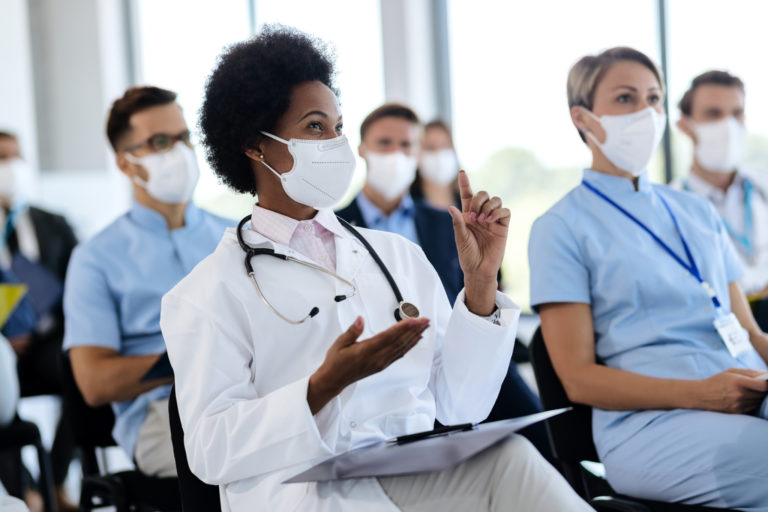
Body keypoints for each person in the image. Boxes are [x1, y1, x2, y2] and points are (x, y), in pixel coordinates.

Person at [160, 25, 592, 512]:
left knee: (505, 463)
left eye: (339, 127)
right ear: (254, 145)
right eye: (315, 127)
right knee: (509, 464)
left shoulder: (397, 255)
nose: (336, 143)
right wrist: (321, 387)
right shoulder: (207, 291)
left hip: (415, 477)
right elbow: (209, 450)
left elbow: (460, 405)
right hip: (305, 496)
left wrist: (479, 287)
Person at [529, 46, 768, 509]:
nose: (645, 111)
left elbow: (750, 332)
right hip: (651, 423)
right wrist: (702, 395)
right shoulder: (560, 227)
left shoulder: (695, 210)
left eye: (654, 98)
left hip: (747, 390)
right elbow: (578, 380)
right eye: (624, 98)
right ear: (582, 118)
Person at [63, 86, 234, 478]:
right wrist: (199, 358)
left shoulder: (235, 237)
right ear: (126, 164)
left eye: (184, 138)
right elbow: (94, 382)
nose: (179, 152)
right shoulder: (95, 259)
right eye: (160, 142)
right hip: (163, 415)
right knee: (258, 462)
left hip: (249, 395)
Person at [0, 131, 78, 511]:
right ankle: (25, 492)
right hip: (1, 351)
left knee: (80, 373)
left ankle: (58, 480)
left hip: (49, 342)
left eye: (16, 158)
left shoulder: (54, 223)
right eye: (2, 158)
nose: (10, 168)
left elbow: (79, 287)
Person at [336, 104, 463, 302]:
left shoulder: (446, 224)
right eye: (384, 143)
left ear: (419, 151)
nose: (396, 153)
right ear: (362, 149)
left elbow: (460, 300)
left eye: (406, 144)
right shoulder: (336, 227)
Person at [675, 70, 768, 331]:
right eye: (714, 114)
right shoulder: (671, 205)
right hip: (717, 324)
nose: (728, 125)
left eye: (737, 113)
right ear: (685, 125)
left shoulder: (763, 185)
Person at [410, 119, 461, 210]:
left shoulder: (470, 208)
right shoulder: (408, 207)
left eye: (446, 146)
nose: (439, 154)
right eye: (430, 148)